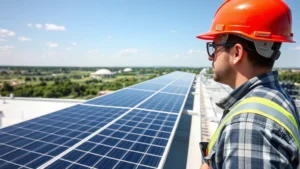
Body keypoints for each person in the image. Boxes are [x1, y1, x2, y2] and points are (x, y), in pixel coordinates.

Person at [196, 0, 300, 168]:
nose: (211, 56)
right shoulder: (278, 97)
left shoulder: (247, 126)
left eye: (214, 47)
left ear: (237, 53)